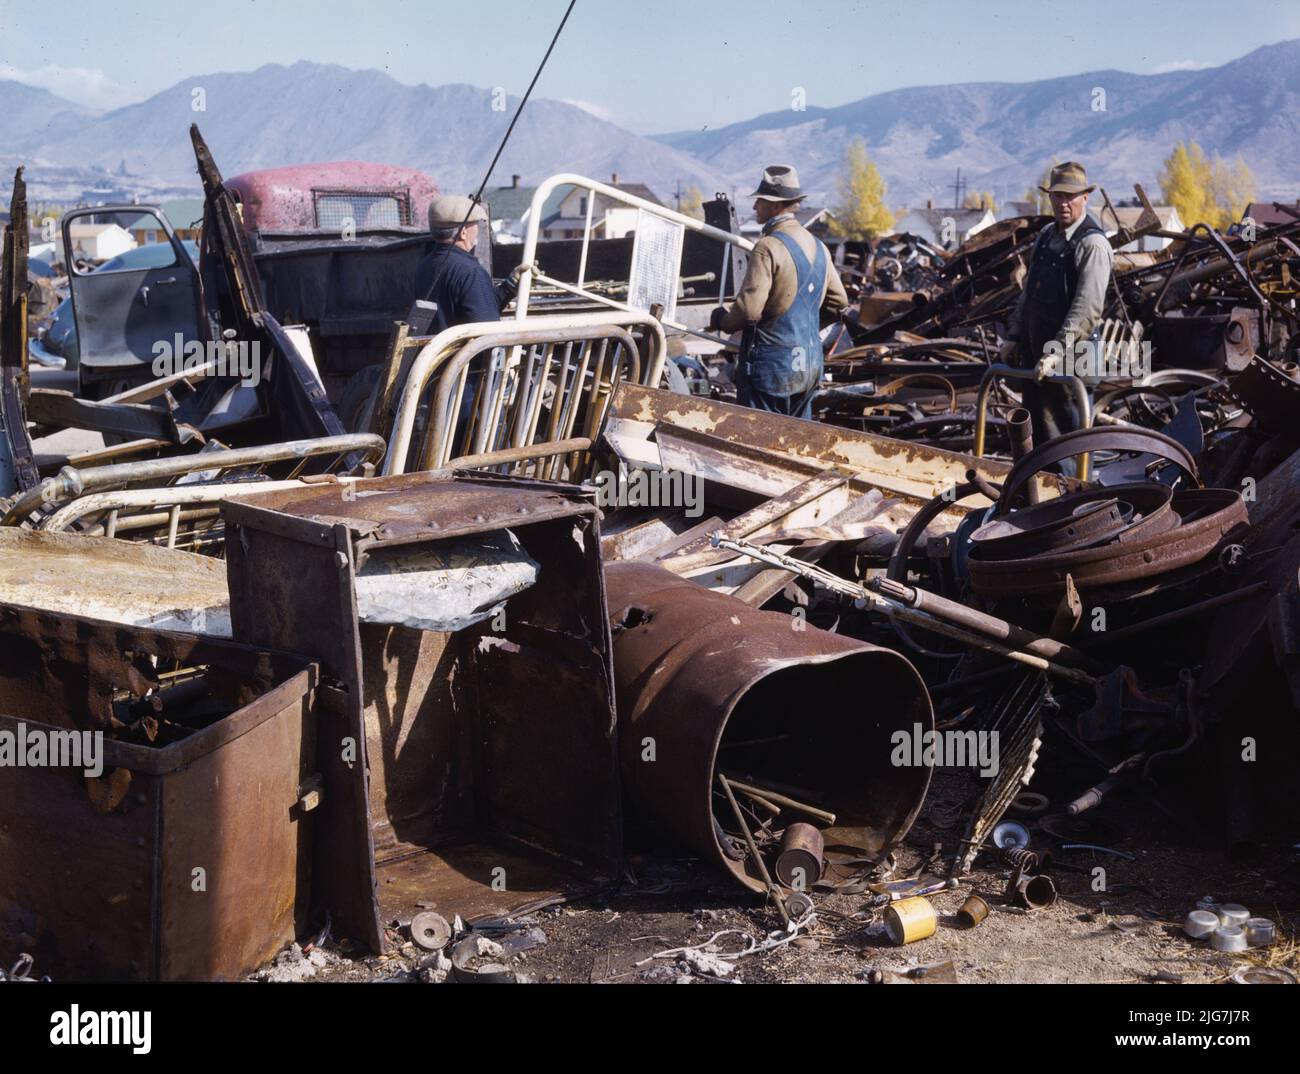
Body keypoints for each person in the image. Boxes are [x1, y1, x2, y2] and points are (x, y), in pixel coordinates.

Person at [709, 165, 848, 419]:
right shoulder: (819, 247)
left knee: (760, 442)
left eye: (759, 201)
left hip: (771, 369)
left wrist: (722, 320)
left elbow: (749, 311)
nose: (754, 208)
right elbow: (839, 302)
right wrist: (802, 326)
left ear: (775, 206)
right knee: (796, 443)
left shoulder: (768, 247)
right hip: (809, 364)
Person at [1001, 161, 1113, 455]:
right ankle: (1039, 498)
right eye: (1058, 196)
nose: (1064, 203)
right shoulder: (1047, 236)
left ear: (1085, 198)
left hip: (1072, 365)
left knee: (1067, 449)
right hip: (1039, 364)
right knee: (1038, 445)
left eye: (1070, 196)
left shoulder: (1092, 244)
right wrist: (1013, 336)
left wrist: (1055, 352)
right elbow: (1030, 293)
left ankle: (1071, 498)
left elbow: (1086, 309)